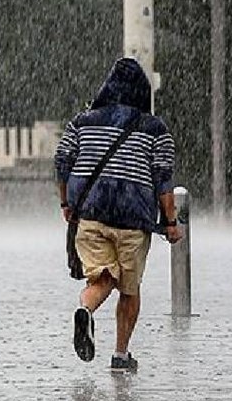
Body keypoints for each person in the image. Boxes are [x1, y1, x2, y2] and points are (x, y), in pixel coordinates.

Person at [54, 56, 184, 372]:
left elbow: (62, 164)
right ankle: (121, 355)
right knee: (129, 288)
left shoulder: (82, 122)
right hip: (133, 221)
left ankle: (85, 309)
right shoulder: (155, 130)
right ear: (143, 92)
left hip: (91, 215)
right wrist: (170, 223)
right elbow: (162, 180)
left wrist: (66, 204)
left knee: (102, 277)